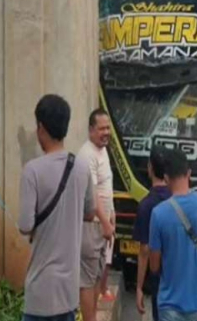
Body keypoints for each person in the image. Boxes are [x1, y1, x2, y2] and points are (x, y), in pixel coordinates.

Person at [19, 95, 106, 321]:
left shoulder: (32, 171)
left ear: (40, 128)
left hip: (40, 292)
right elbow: (89, 212)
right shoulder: (81, 166)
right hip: (68, 292)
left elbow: (26, 225)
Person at [149, 149, 197, 321]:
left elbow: (154, 266)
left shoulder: (158, 214)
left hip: (169, 305)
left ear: (165, 178)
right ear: (189, 173)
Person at [77, 109, 117, 321]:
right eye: (102, 128)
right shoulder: (86, 155)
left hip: (102, 225)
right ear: (91, 130)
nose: (106, 132)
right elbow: (92, 195)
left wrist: (111, 216)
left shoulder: (102, 151)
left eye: (108, 128)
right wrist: (104, 221)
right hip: (91, 226)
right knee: (87, 280)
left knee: (95, 278)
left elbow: (105, 188)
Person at [133, 145, 172, 321]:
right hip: (180, 275)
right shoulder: (180, 199)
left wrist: (139, 287)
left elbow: (144, 251)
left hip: (158, 277)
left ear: (150, 167)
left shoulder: (146, 205)